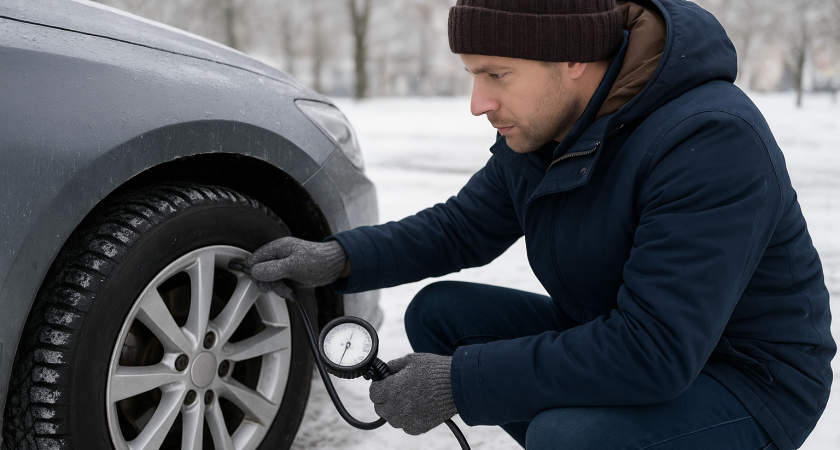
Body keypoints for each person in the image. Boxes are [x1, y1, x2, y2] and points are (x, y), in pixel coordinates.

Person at [245, 0, 835, 448]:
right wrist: (340, 258)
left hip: (747, 380)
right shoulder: (548, 128)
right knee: (440, 315)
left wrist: (462, 383)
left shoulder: (708, 139)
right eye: (472, 74)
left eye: (497, 75)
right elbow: (460, 228)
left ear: (574, 58)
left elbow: (654, 350)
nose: (478, 102)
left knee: (566, 435)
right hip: (618, 328)